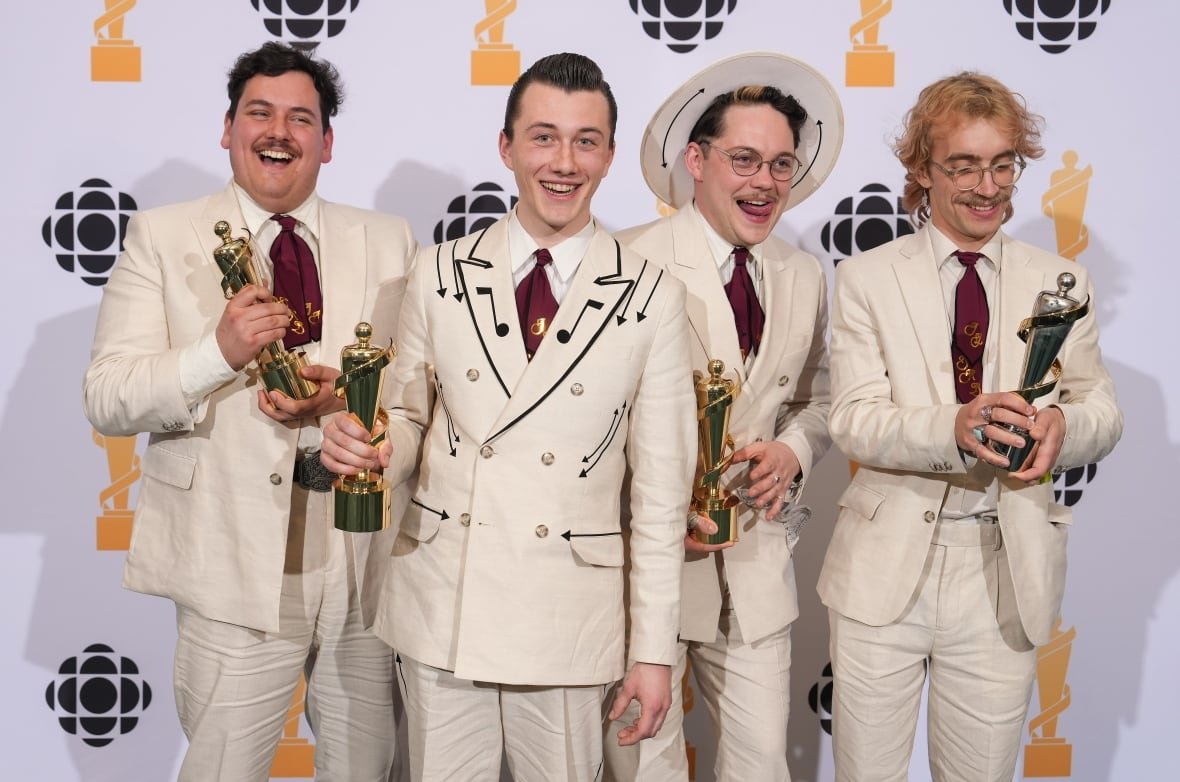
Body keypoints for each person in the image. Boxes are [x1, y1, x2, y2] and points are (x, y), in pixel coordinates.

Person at [320, 52, 695, 781]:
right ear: (507, 146)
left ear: (611, 154)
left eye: (586, 141)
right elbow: (405, 419)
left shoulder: (653, 297)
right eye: (544, 137)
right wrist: (372, 448)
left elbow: (659, 494)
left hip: (567, 614)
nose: (564, 161)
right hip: (444, 601)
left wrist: (652, 653)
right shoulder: (438, 272)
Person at [82, 42, 417, 781]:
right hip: (231, 561)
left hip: (361, 559)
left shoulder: (389, 239)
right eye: (260, 113)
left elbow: (417, 388)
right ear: (228, 128)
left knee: (369, 767)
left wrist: (349, 400)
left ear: (327, 143)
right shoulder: (163, 236)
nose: (279, 132)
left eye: (302, 119)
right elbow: (107, 397)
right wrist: (219, 352)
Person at [817, 72, 1123, 781]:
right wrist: (954, 426)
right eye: (964, 165)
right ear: (923, 170)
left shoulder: (1064, 281)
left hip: (1005, 570)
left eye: (1003, 163)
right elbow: (854, 419)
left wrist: (1061, 427)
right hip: (882, 576)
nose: (989, 186)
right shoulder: (866, 277)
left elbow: (1102, 411)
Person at [603, 53, 841, 781]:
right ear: (696, 160)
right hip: (644, 575)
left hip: (756, 571)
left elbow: (820, 396)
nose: (764, 183)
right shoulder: (625, 261)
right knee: (645, 767)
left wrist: (794, 451)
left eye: (780, 165)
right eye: (745, 159)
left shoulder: (803, 274)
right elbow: (588, 420)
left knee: (762, 767)